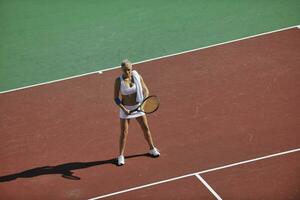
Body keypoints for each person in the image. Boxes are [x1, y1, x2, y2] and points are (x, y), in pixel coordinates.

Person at [114, 59, 160, 166]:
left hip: (138, 107)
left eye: (129, 70)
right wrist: (124, 109)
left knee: (145, 128)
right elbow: (116, 98)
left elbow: (145, 90)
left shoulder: (137, 76)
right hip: (125, 109)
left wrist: (143, 103)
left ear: (132, 68)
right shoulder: (118, 81)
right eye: (125, 70)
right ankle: (120, 156)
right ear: (121, 70)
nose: (127, 72)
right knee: (124, 132)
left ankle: (152, 148)